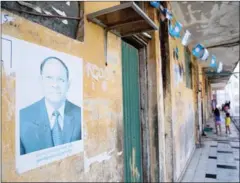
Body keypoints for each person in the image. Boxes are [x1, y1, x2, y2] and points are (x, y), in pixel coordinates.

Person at [20, 56, 81, 155]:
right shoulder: (22, 118)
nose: (55, 85)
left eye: (61, 79)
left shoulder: (80, 114)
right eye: (49, 78)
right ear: (40, 81)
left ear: (68, 84)